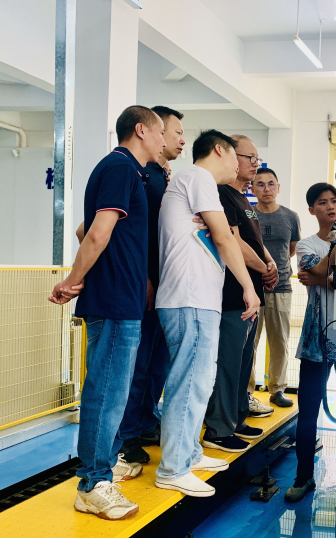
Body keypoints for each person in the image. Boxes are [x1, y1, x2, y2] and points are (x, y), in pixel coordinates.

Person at [49, 105, 165, 520]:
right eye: (160, 133)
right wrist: (72, 280)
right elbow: (96, 233)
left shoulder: (130, 172)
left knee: (113, 391)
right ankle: (93, 484)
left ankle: (101, 472)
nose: (164, 141)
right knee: (107, 393)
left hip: (123, 298)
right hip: (114, 299)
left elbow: (92, 230)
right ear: (141, 130)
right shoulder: (119, 167)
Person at [154, 130, 260, 497]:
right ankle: (173, 468)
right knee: (190, 383)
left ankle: (189, 453)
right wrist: (248, 287)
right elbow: (224, 237)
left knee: (199, 382)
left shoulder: (192, 183)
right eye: (237, 157)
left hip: (195, 299)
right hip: (190, 298)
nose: (240, 166)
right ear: (219, 150)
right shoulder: (198, 176)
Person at [284, 183, 336, 503]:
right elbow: (319, 270)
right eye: (323, 202)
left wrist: (321, 279)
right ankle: (303, 477)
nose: (331, 207)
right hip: (315, 341)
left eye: (334, 201)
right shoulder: (308, 244)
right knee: (308, 412)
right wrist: (335, 244)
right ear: (312, 210)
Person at [116, 106, 186, 465]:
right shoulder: (135, 174)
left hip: (165, 284)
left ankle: (145, 421)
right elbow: (131, 233)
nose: (180, 140)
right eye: (174, 133)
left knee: (158, 362)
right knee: (138, 364)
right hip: (144, 284)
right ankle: (126, 434)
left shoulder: (160, 176)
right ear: (150, 131)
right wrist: (142, 276)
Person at [202, 135, 278, 453]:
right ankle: (218, 429)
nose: (255, 164)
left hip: (252, 294)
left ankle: (236, 418)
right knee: (228, 364)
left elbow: (254, 240)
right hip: (233, 294)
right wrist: (263, 268)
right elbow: (233, 241)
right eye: (249, 157)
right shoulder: (221, 193)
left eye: (257, 158)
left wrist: (269, 264)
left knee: (244, 363)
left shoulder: (243, 199)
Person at [248, 167, 300, 408]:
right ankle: (246, 390)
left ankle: (277, 389)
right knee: (249, 343)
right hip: (251, 288)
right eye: (260, 184)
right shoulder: (248, 215)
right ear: (252, 189)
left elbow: (290, 249)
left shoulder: (290, 217)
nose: (266, 189)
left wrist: (275, 269)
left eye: (271, 184)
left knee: (279, 342)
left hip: (281, 287)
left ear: (278, 188)